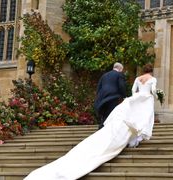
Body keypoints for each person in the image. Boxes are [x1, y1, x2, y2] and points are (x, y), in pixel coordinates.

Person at [24, 63, 157, 180]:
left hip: (103, 99)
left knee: (106, 120)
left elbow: (121, 90)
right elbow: (127, 88)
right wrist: (123, 98)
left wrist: (101, 100)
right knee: (131, 118)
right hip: (119, 98)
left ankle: (104, 132)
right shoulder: (127, 76)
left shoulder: (107, 76)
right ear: (120, 69)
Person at [94, 62, 126, 129]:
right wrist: (123, 96)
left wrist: (98, 98)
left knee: (105, 115)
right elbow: (121, 86)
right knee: (111, 114)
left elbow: (99, 87)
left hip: (102, 98)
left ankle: (102, 128)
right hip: (113, 97)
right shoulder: (119, 74)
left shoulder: (104, 75)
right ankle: (106, 129)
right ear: (120, 69)